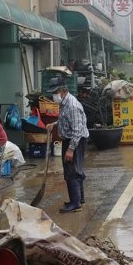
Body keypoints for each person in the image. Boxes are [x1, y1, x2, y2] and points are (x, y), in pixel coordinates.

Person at [47, 77, 88, 213]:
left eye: (56, 92)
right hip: (71, 139)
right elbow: (66, 121)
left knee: (72, 172)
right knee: (74, 170)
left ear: (63, 90)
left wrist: (70, 149)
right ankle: (78, 199)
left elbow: (77, 130)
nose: (54, 95)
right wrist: (54, 124)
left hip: (75, 141)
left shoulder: (72, 105)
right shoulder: (64, 103)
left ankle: (75, 204)